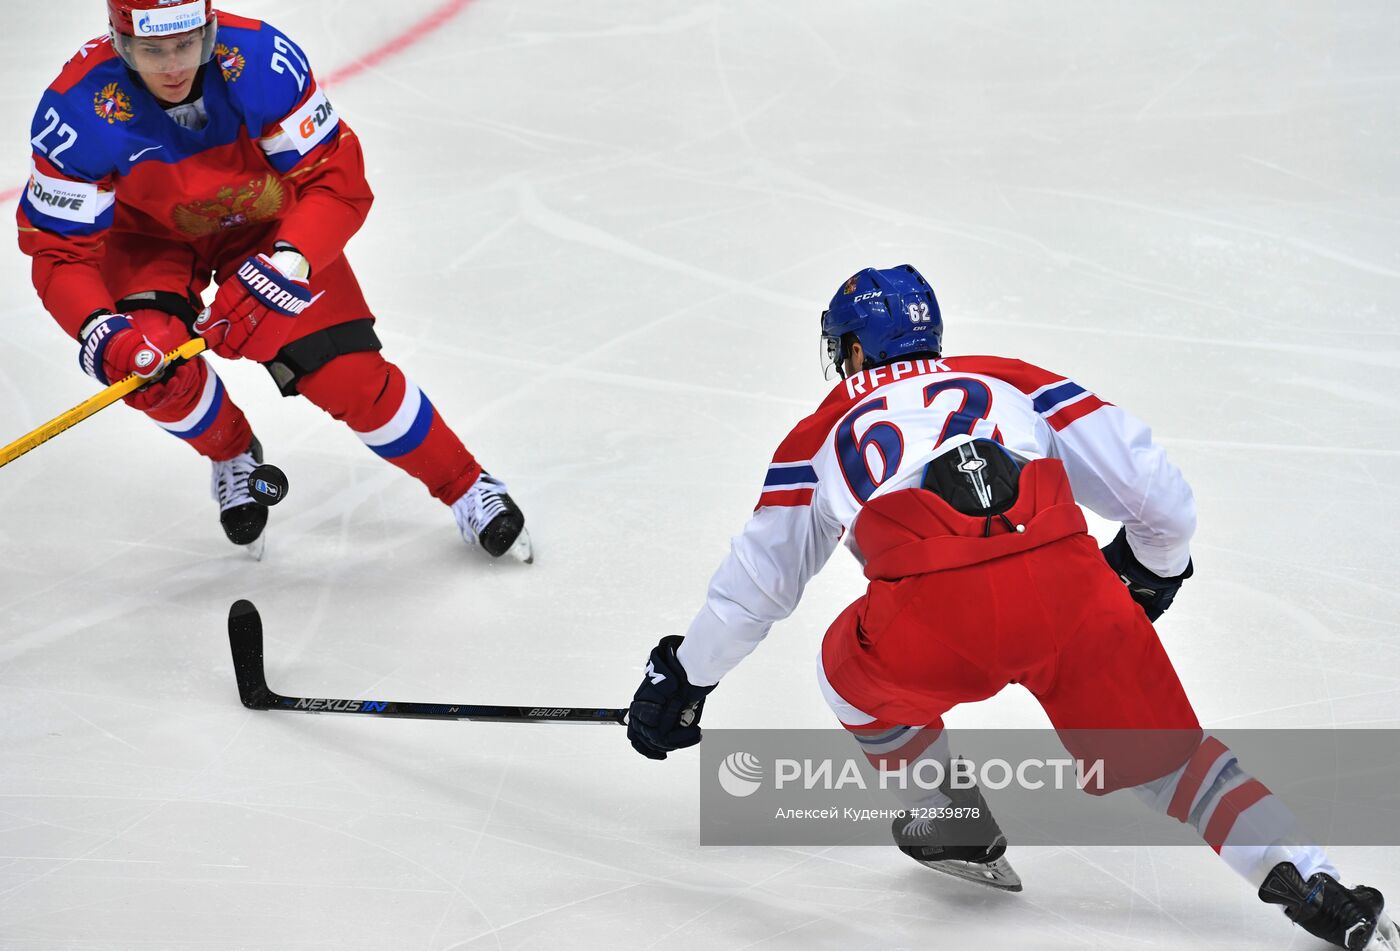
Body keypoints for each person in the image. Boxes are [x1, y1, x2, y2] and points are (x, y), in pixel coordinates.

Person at [626, 264, 1396, 949]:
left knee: (844, 671)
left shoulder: (823, 429)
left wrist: (684, 679)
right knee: (1181, 762)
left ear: (855, 350)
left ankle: (948, 813)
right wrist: (1149, 571)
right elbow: (1159, 494)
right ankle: (1313, 877)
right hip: (1069, 587)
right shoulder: (1008, 380)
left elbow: (759, 585)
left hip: (934, 623)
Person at [18, 0, 531, 562]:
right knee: (148, 367)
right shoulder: (76, 109)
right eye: (151, 50)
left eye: (186, 44)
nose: (172, 66)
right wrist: (100, 331)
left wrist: (291, 263)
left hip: (262, 224)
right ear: (119, 44)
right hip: (149, 241)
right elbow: (59, 250)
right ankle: (233, 452)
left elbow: (337, 180)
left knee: (347, 376)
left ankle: (465, 483)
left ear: (209, 31)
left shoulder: (261, 60)